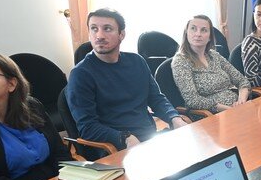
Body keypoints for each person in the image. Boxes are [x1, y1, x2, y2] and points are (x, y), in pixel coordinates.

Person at [67, 8, 186, 152]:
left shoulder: (137, 61)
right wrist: (124, 137)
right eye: (94, 29)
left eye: (107, 29)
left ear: (121, 34)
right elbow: (87, 127)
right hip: (115, 147)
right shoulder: (80, 74)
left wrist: (174, 118)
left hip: (150, 139)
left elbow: (156, 98)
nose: (99, 35)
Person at [172, 15, 251, 113]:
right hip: (208, 115)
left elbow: (242, 81)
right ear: (186, 33)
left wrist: (241, 102)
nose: (198, 34)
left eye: (204, 30)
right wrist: (230, 110)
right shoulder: (181, 61)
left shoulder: (214, 55)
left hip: (235, 109)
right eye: (193, 28)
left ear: (210, 37)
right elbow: (192, 100)